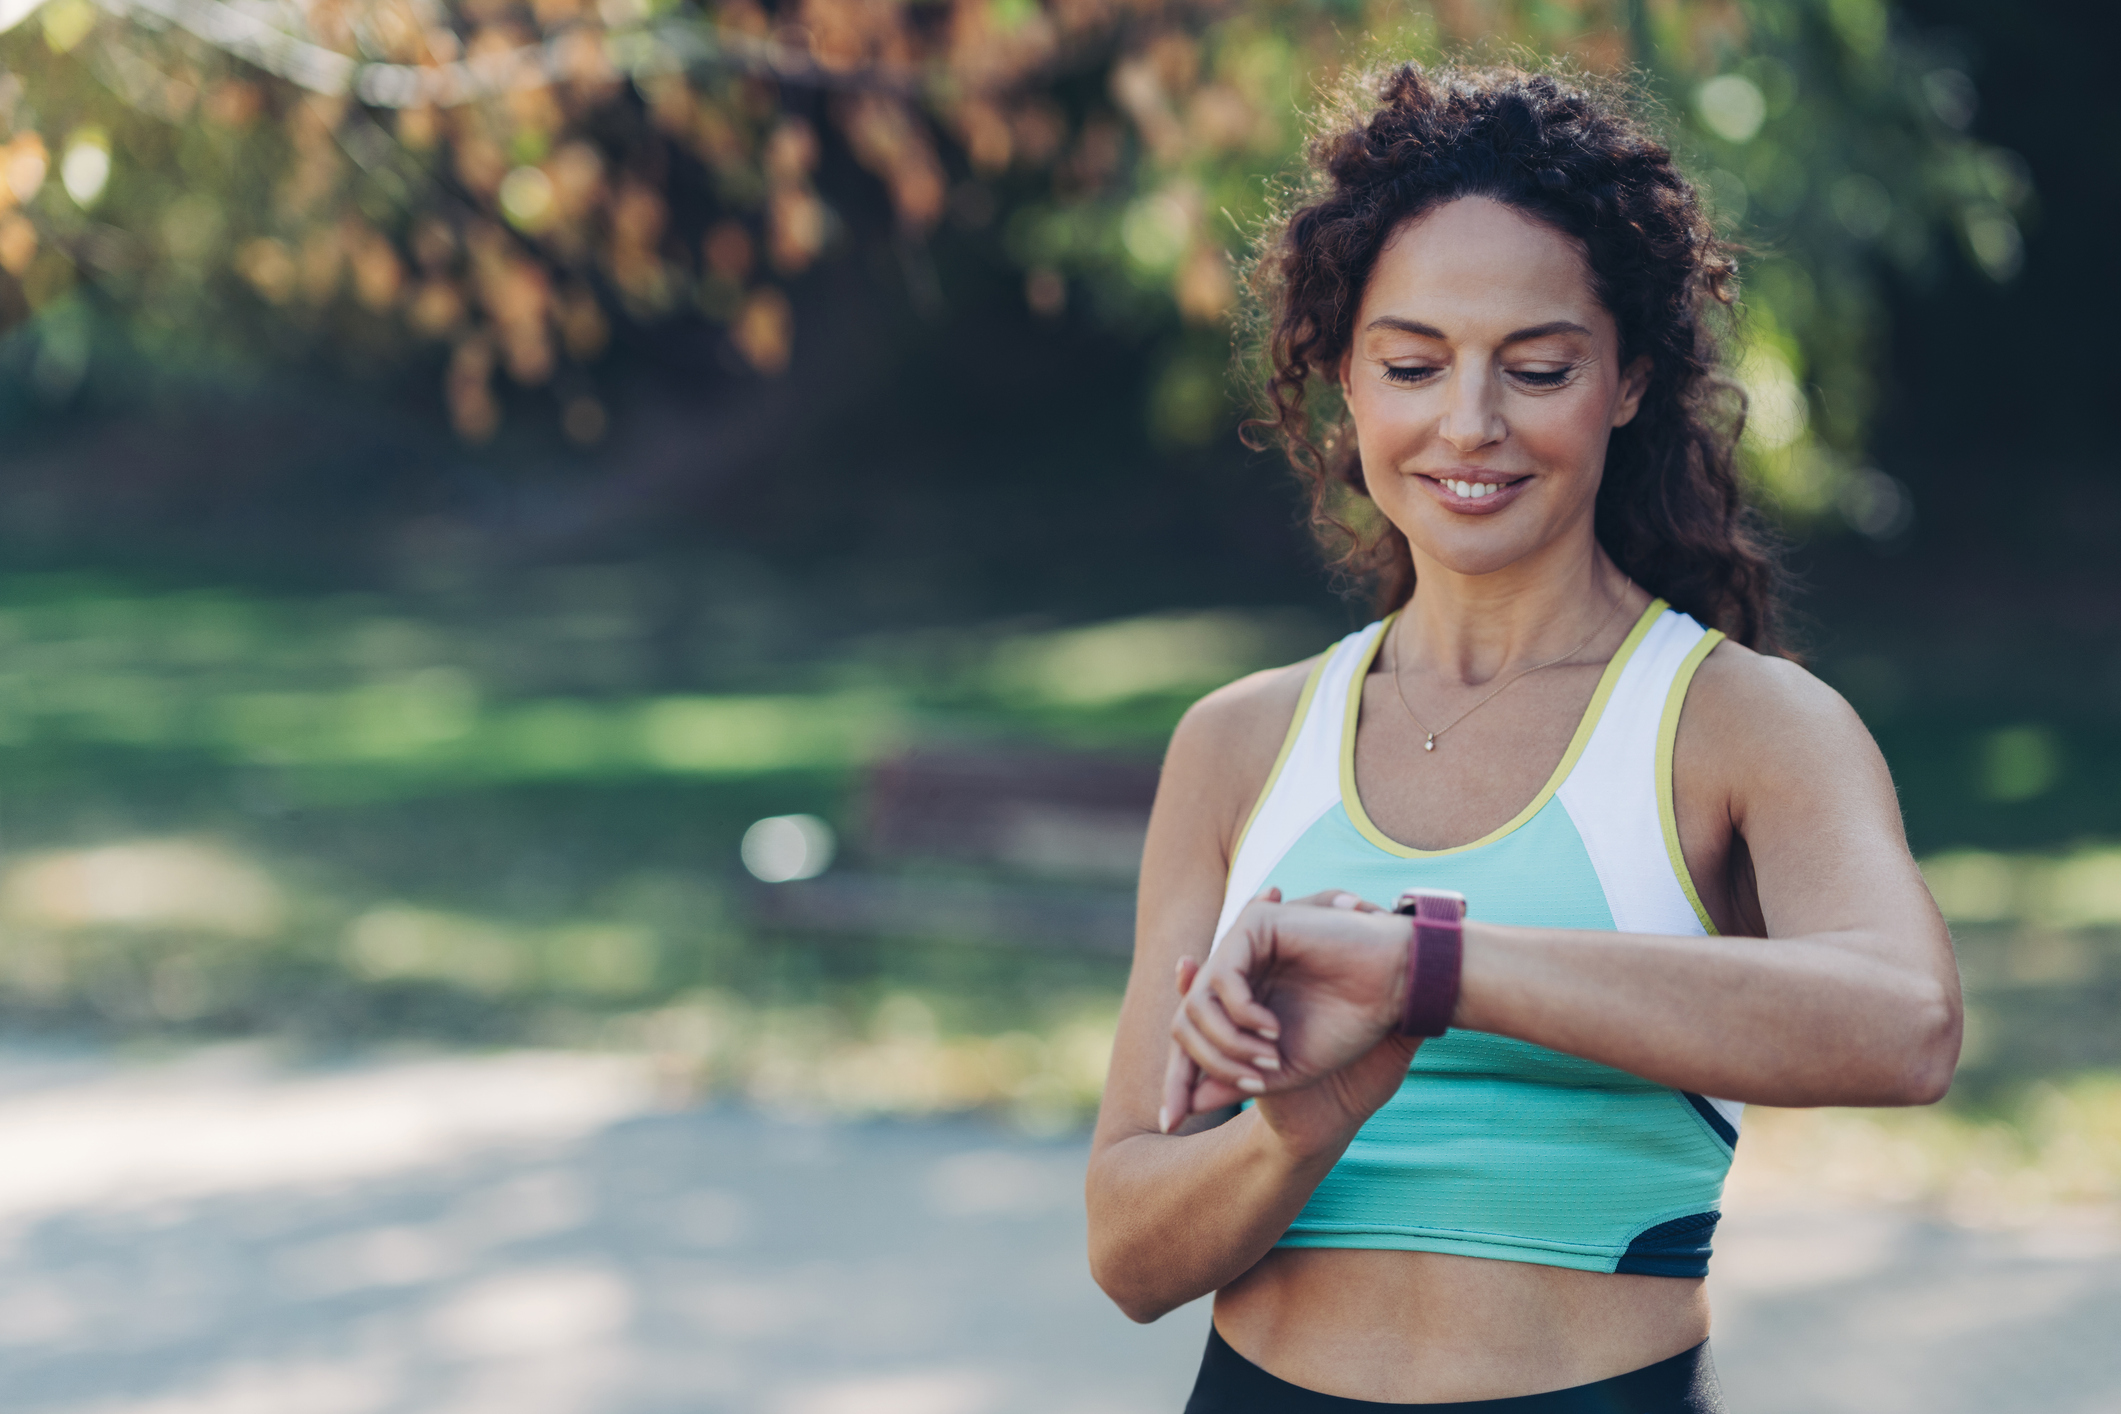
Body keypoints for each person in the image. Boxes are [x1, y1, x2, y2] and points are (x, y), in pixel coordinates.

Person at [1085, 62, 1960, 1412]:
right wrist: (1296, 1127)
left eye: (1536, 366)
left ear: (1625, 380)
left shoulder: (1737, 724)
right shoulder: (1239, 741)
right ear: (1344, 382)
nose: (1468, 422)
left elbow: (1903, 1025)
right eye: (1411, 363)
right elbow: (1130, 1254)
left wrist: (1428, 969)